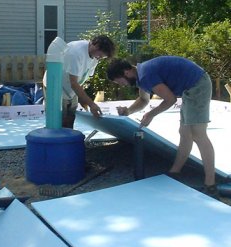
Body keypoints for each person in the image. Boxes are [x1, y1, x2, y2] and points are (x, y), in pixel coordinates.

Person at [107, 56, 217, 196]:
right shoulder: (141, 75)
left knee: (198, 134)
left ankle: (210, 184)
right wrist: (128, 111)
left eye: (119, 81)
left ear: (126, 72)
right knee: (184, 132)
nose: (121, 84)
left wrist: (151, 114)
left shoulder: (146, 74)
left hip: (197, 85)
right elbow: (143, 99)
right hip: (190, 87)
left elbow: (170, 99)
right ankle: (175, 172)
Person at [44, 35, 115, 128]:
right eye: (100, 56)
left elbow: (81, 79)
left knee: (70, 119)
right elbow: (74, 83)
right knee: (57, 121)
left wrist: (82, 98)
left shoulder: (94, 56)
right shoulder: (76, 53)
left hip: (71, 89)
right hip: (55, 86)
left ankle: (68, 141)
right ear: (96, 46)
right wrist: (91, 104)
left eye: (102, 57)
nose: (99, 58)